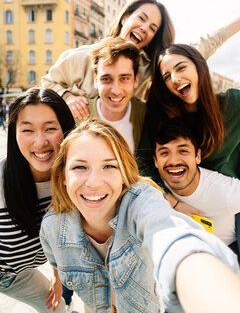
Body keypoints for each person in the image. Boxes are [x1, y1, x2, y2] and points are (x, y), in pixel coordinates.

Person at [40, 119, 240, 313]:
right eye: (80, 167)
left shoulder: (142, 202)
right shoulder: (52, 227)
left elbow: (170, 234)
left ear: (124, 174)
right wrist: (57, 278)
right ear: (63, 177)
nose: (94, 182)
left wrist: (199, 273)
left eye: (109, 166)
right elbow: (55, 260)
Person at [41, 0, 239, 119]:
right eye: (141, 18)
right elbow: (46, 84)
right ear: (126, 17)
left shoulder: (149, 69)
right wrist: (67, 96)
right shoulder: (81, 56)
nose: (145, 28)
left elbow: (204, 45)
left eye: (153, 28)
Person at [138, 43, 240, 246]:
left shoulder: (233, 104)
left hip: (232, 202)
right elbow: (143, 164)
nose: (175, 79)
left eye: (181, 67)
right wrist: (172, 203)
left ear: (198, 66)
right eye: (166, 76)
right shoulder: (162, 116)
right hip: (185, 209)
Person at [0, 88, 75, 312]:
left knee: (58, 309)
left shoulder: (74, 181)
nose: (40, 142)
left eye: (50, 128)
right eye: (28, 130)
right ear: (14, 134)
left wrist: (56, 273)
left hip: (18, 276)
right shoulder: (3, 180)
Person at [153, 118, 240, 258]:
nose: (174, 161)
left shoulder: (226, 192)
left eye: (183, 151)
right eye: (164, 153)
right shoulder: (151, 189)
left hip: (226, 255)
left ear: (197, 156)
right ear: (155, 161)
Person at [76, 36, 146, 153]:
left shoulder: (146, 115)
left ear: (136, 80)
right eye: (106, 79)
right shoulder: (77, 117)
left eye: (124, 78)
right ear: (96, 80)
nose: (116, 90)